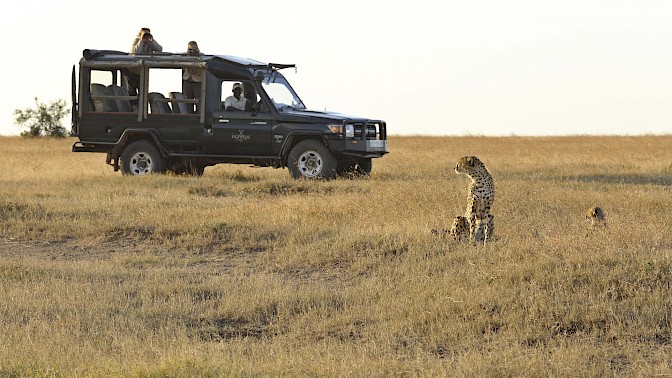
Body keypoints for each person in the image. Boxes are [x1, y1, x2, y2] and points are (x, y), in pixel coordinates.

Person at [126, 29, 163, 109]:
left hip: (143, 72)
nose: (146, 36)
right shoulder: (137, 40)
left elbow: (160, 49)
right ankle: (134, 108)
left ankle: (143, 108)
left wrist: (152, 41)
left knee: (143, 91)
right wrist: (141, 41)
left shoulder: (150, 42)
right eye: (144, 34)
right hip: (133, 71)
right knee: (132, 91)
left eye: (148, 34)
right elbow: (135, 52)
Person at [182, 41, 202, 113]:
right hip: (187, 81)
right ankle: (189, 116)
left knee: (198, 101)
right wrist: (187, 54)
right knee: (188, 101)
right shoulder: (185, 56)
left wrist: (197, 54)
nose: (192, 51)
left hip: (197, 82)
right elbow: (179, 59)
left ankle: (198, 115)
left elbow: (203, 61)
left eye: (194, 49)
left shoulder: (201, 56)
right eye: (190, 49)